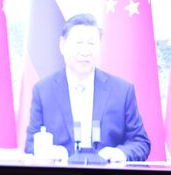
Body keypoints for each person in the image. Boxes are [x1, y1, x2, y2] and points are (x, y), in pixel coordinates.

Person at [24, 13, 150, 163]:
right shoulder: (43, 91)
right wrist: (48, 152)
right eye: (78, 43)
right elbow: (30, 145)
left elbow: (141, 142)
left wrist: (120, 153)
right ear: (62, 45)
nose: (85, 51)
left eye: (91, 43)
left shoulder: (122, 91)